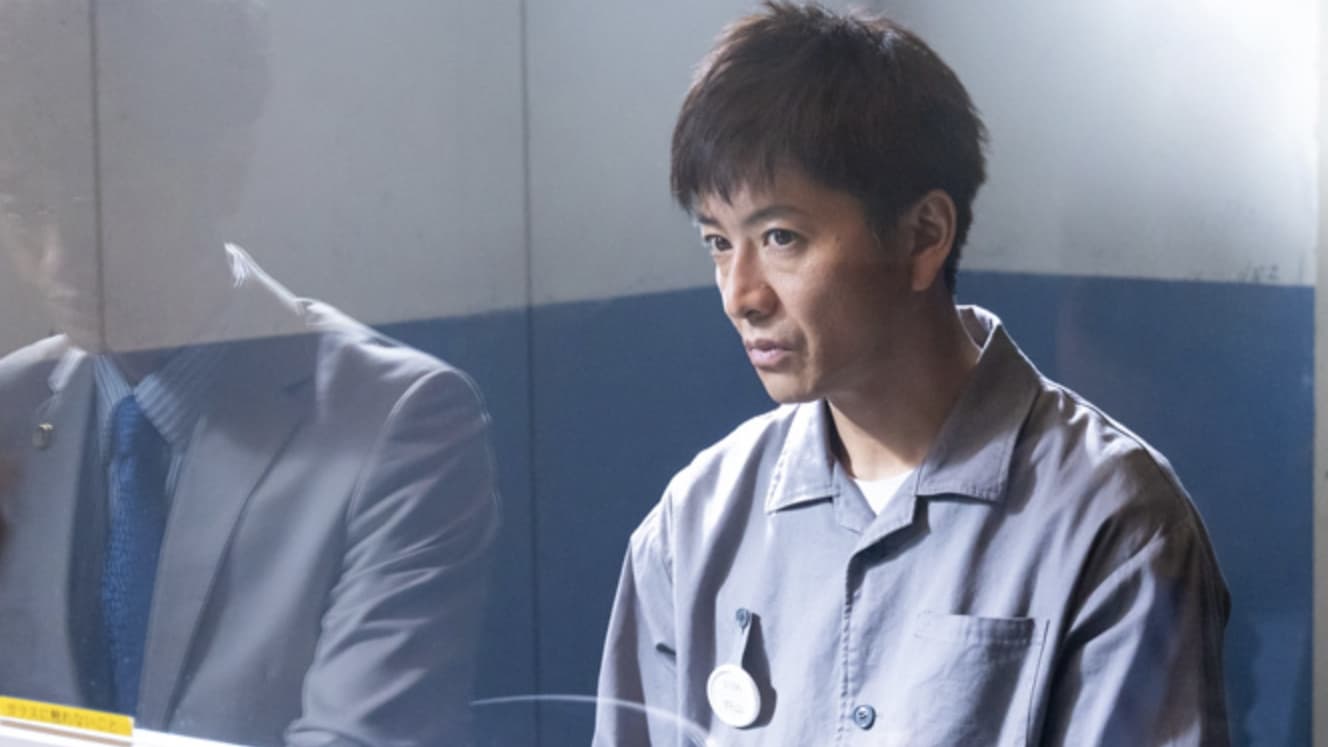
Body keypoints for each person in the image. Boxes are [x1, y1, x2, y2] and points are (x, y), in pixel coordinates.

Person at [594, 3, 1230, 744]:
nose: (741, 295)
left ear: (924, 235)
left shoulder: (1112, 525)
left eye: (781, 237)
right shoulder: (693, 525)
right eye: (717, 242)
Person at [0, 2, 498, 745]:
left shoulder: (400, 423)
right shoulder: (10, 412)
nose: (59, 259)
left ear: (221, 173)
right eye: (22, 209)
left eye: (103, 205)